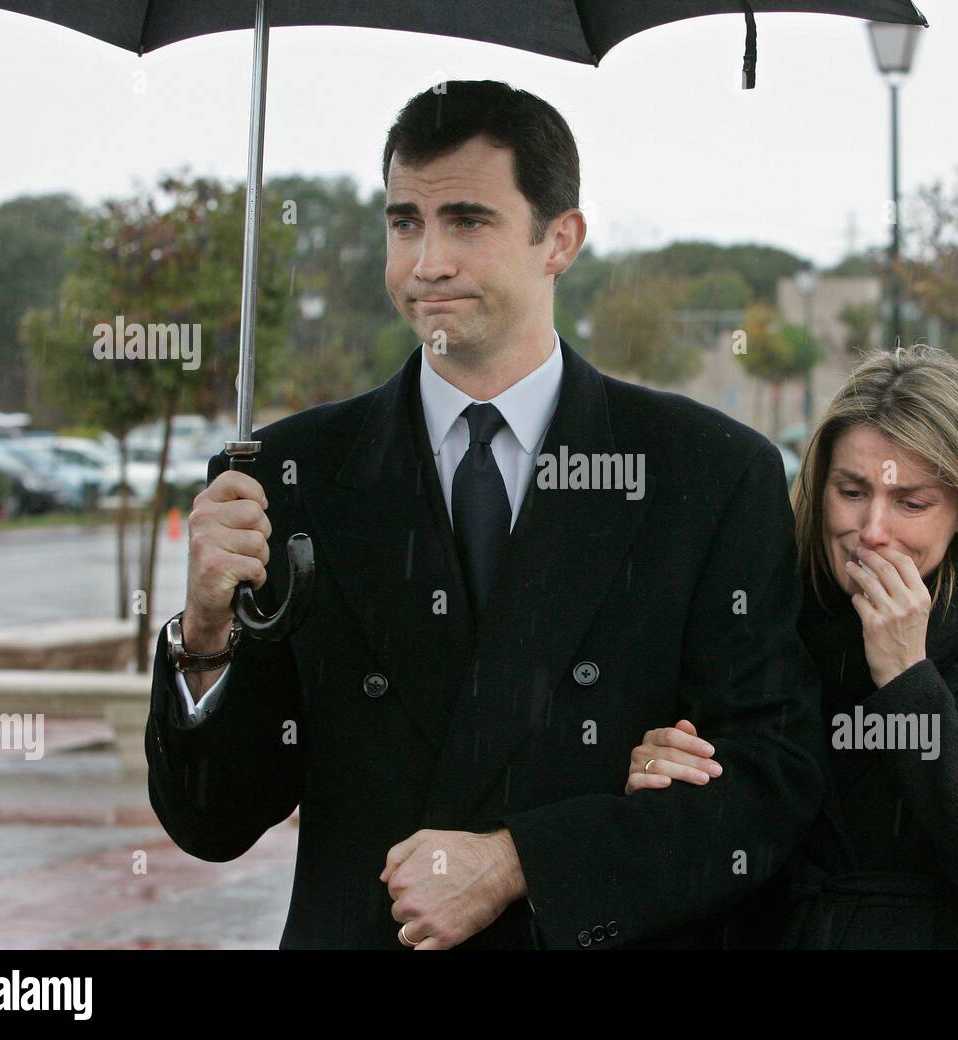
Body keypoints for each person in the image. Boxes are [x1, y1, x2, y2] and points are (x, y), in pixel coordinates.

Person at [146, 80, 827, 950]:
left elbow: (773, 782)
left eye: (467, 221)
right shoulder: (285, 479)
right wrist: (204, 633)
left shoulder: (709, 474)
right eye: (403, 223)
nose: (427, 262)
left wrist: (521, 863)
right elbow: (214, 821)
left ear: (561, 240)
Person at [626, 346, 958, 948]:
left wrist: (909, 681)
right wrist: (656, 778)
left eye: (911, 503)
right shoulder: (759, 618)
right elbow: (717, 845)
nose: (872, 530)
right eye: (851, 492)